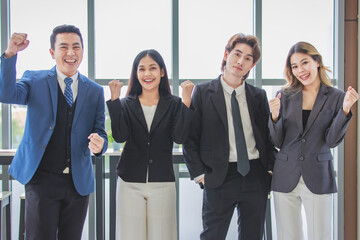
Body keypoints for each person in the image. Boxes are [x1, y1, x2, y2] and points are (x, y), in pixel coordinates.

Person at [0, 25, 108, 240]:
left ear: (82, 51)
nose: (71, 53)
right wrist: (10, 54)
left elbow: (100, 131)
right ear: (52, 52)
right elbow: (6, 93)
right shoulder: (35, 80)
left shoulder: (95, 91)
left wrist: (100, 145)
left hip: (78, 183)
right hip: (41, 180)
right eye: (64, 47)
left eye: (76, 47)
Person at [183, 33, 276, 240]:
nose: (240, 61)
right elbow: (190, 138)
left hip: (255, 175)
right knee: (212, 235)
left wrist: (269, 170)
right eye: (237, 54)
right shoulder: (203, 92)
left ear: (251, 65)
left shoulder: (258, 96)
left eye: (248, 58)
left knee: (252, 236)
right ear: (226, 55)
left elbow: (267, 138)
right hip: (218, 177)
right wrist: (200, 175)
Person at [268, 41, 359, 240]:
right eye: (295, 66)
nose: (300, 70)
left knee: (321, 235)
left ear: (316, 61)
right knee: (287, 236)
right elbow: (277, 141)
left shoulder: (337, 97)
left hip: (318, 175)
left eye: (304, 63)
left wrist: (345, 110)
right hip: (285, 175)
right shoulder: (284, 95)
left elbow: (332, 140)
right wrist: (274, 117)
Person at [107, 49, 194, 240]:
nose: (147, 74)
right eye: (142, 69)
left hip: (162, 182)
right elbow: (120, 137)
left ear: (162, 72)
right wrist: (114, 100)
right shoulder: (125, 103)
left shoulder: (174, 103)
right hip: (129, 182)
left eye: (153, 68)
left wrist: (187, 101)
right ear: (136, 74)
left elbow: (179, 138)